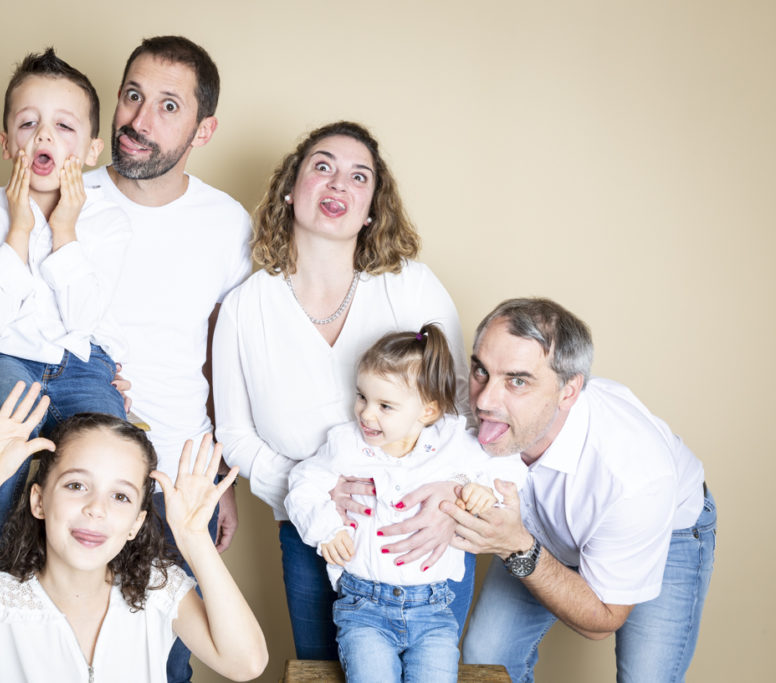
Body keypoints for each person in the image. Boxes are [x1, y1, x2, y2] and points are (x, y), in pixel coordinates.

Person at [213, 120, 470, 660]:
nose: (339, 184)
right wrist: (310, 493)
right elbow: (234, 435)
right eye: (322, 167)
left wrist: (450, 498)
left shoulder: (411, 286)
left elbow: (459, 405)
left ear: (373, 206)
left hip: (421, 531)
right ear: (290, 187)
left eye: (360, 176)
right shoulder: (245, 307)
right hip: (309, 535)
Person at [0, 381, 268, 683]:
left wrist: (195, 542)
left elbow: (247, 663)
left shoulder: (159, 592)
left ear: (136, 525)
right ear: (39, 501)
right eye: (76, 485)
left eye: (121, 497)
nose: (96, 508)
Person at [81, 35, 251, 682]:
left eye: (168, 106)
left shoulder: (226, 224)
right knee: (71, 652)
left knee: (167, 659)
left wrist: (222, 473)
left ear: (204, 129)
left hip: (181, 480)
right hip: (81, 470)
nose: (138, 121)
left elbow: (222, 354)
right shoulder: (68, 197)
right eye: (132, 96)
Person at [434, 298, 714, 683]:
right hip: (535, 530)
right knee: (487, 656)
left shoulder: (634, 477)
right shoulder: (471, 410)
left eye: (517, 381)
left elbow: (603, 619)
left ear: (568, 391)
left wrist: (516, 546)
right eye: (482, 370)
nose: (483, 401)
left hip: (667, 531)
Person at [286, 324, 527, 682]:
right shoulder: (347, 446)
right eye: (361, 397)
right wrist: (326, 529)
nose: (367, 414)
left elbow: (510, 464)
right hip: (362, 608)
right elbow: (302, 484)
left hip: (433, 609)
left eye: (385, 406)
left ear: (427, 412)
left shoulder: (452, 443)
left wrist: (484, 490)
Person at [0, 48, 130, 553]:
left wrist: (64, 230)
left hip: (82, 363)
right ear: (7, 142)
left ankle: (94, 551)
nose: (44, 137)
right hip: (10, 358)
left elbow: (82, 317)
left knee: (110, 441)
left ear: (92, 149)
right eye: (28, 124)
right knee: (9, 415)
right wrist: (19, 226)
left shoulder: (107, 222)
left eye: (64, 127)